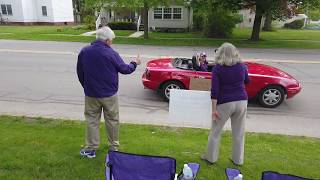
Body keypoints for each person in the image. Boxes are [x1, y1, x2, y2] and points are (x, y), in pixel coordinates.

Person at [77, 26, 141, 158]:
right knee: (112, 120)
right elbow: (125, 69)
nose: (112, 42)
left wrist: (86, 86)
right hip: (109, 94)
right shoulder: (111, 53)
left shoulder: (85, 51)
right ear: (106, 40)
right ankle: (113, 147)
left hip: (91, 94)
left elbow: (80, 72)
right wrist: (134, 63)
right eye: (111, 40)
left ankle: (91, 148)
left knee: (91, 120)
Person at [201, 43, 250, 165]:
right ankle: (238, 160)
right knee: (239, 132)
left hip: (225, 103)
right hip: (242, 101)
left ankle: (211, 158)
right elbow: (247, 81)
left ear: (220, 54)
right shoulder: (242, 66)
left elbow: (215, 91)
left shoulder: (218, 68)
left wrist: (213, 110)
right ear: (235, 53)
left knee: (215, 131)